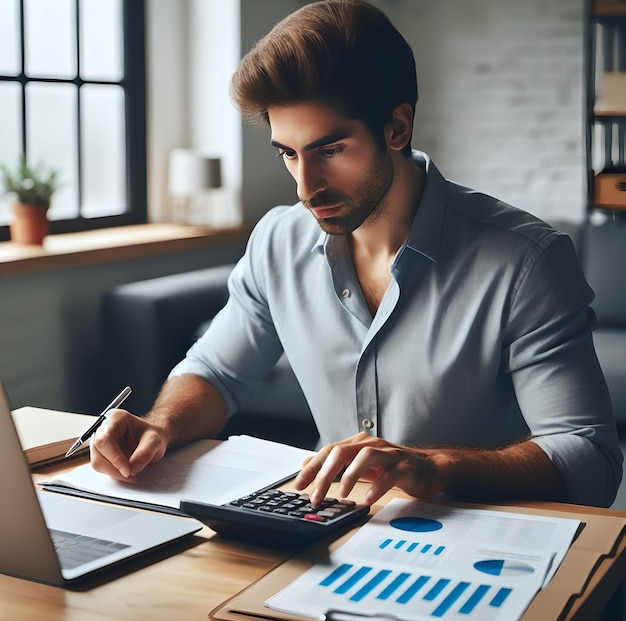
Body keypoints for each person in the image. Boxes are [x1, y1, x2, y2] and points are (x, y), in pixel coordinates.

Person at [92, 0, 622, 508]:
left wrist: (431, 468)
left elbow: (590, 460)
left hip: (483, 543)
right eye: (289, 154)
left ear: (397, 127)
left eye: (330, 150)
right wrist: (161, 425)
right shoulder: (278, 241)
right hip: (331, 533)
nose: (306, 187)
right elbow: (216, 373)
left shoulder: (526, 260)